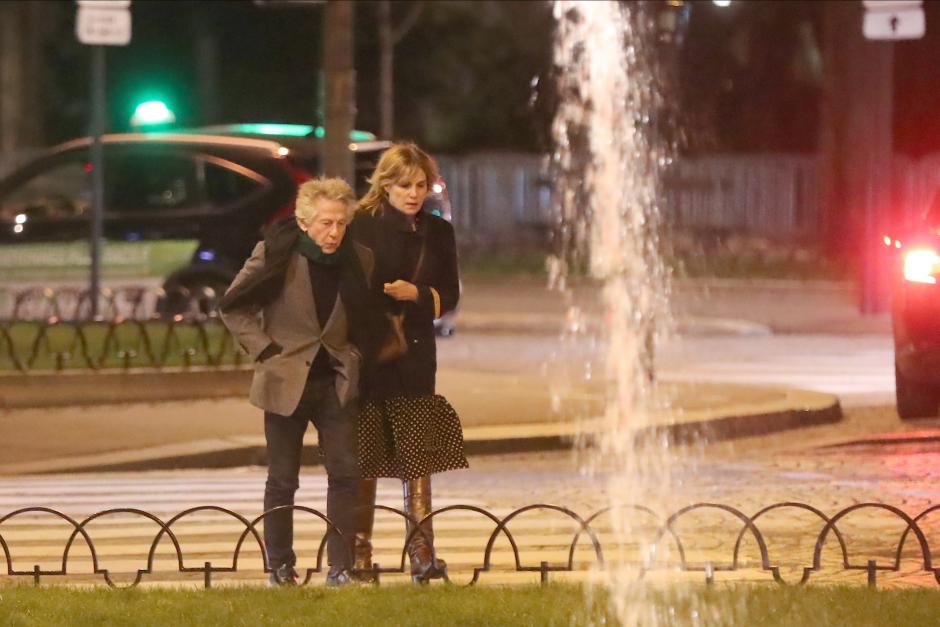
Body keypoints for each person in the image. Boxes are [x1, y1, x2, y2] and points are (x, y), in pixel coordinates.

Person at [219, 178, 377, 586]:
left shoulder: (359, 258)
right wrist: (265, 350)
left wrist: (354, 355)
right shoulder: (277, 254)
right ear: (304, 222)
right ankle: (280, 566)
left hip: (336, 381)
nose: (334, 232)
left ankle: (340, 567)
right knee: (283, 478)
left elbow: (362, 317)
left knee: (345, 473)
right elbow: (233, 306)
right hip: (285, 379)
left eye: (341, 223)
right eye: (326, 223)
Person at [349, 143, 469, 583]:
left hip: (415, 354)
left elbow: (449, 296)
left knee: (416, 457)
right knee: (367, 455)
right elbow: (347, 289)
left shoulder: (437, 232)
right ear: (385, 184)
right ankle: (359, 556)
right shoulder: (360, 226)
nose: (414, 194)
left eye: (420, 185)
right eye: (404, 186)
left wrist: (416, 295)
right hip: (370, 354)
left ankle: (422, 555)